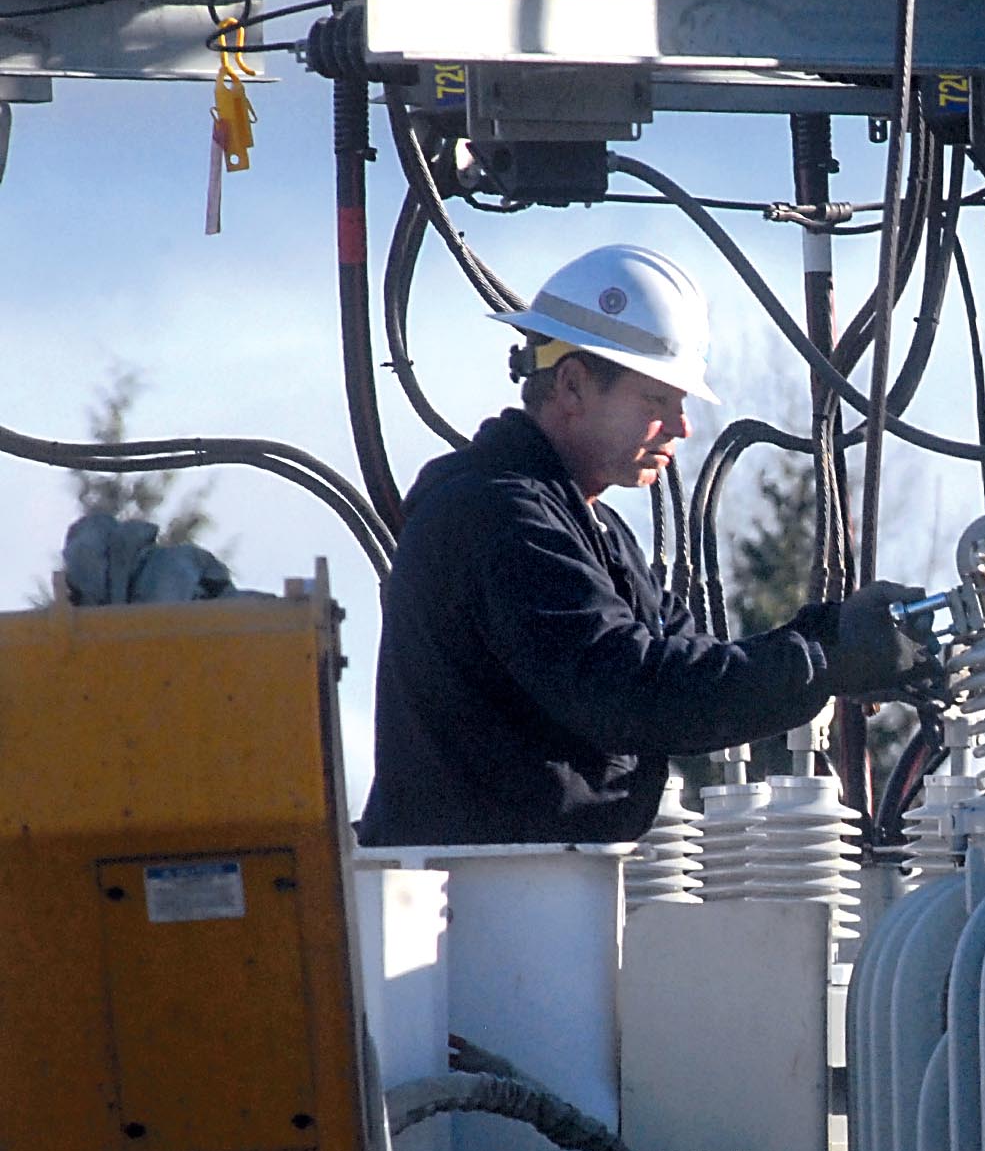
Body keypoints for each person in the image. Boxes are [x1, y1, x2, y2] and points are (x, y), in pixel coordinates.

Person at [357, 243, 931, 846]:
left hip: (530, 888)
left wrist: (827, 642)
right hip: (474, 903)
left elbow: (692, 669)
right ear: (573, 385)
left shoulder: (591, 528)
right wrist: (829, 655)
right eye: (657, 399)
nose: (682, 426)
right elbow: (631, 691)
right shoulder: (496, 515)